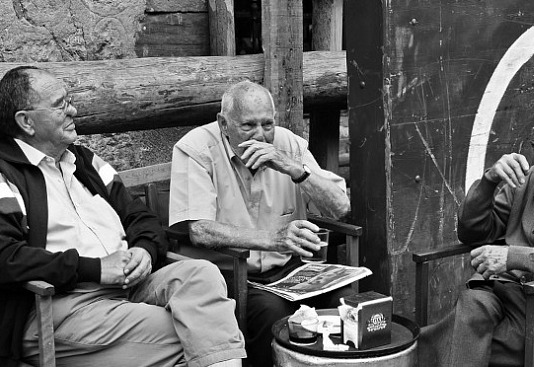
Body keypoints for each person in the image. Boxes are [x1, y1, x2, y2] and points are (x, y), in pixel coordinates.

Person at [0, 66, 246, 367]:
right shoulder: (6, 175)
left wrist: (144, 248)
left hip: (129, 287)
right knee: (198, 333)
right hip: (61, 305)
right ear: (26, 122)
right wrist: (95, 269)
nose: (73, 110)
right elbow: (6, 257)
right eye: (60, 104)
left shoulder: (84, 161)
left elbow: (140, 216)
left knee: (203, 275)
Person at [169, 80, 353, 366]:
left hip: (289, 271)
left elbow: (340, 207)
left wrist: (295, 169)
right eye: (248, 126)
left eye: (267, 124)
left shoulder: (287, 143)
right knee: (271, 313)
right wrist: (271, 239)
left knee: (348, 299)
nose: (261, 136)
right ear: (223, 123)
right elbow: (199, 230)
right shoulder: (196, 148)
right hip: (230, 273)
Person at [418, 82, 534, 366]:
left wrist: (514, 257)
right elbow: (472, 232)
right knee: (473, 304)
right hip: (504, 296)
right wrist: (489, 182)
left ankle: (407, 352)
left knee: (456, 345)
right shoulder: (528, 179)